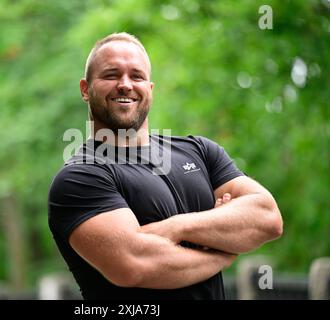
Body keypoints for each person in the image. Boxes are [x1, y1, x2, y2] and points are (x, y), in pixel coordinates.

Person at [48, 32, 283, 300]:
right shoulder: (80, 177)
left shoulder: (200, 151)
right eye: (111, 75)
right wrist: (224, 249)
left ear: (150, 88)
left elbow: (268, 218)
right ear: (85, 89)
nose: (125, 85)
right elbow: (135, 266)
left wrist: (176, 228)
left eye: (136, 76)